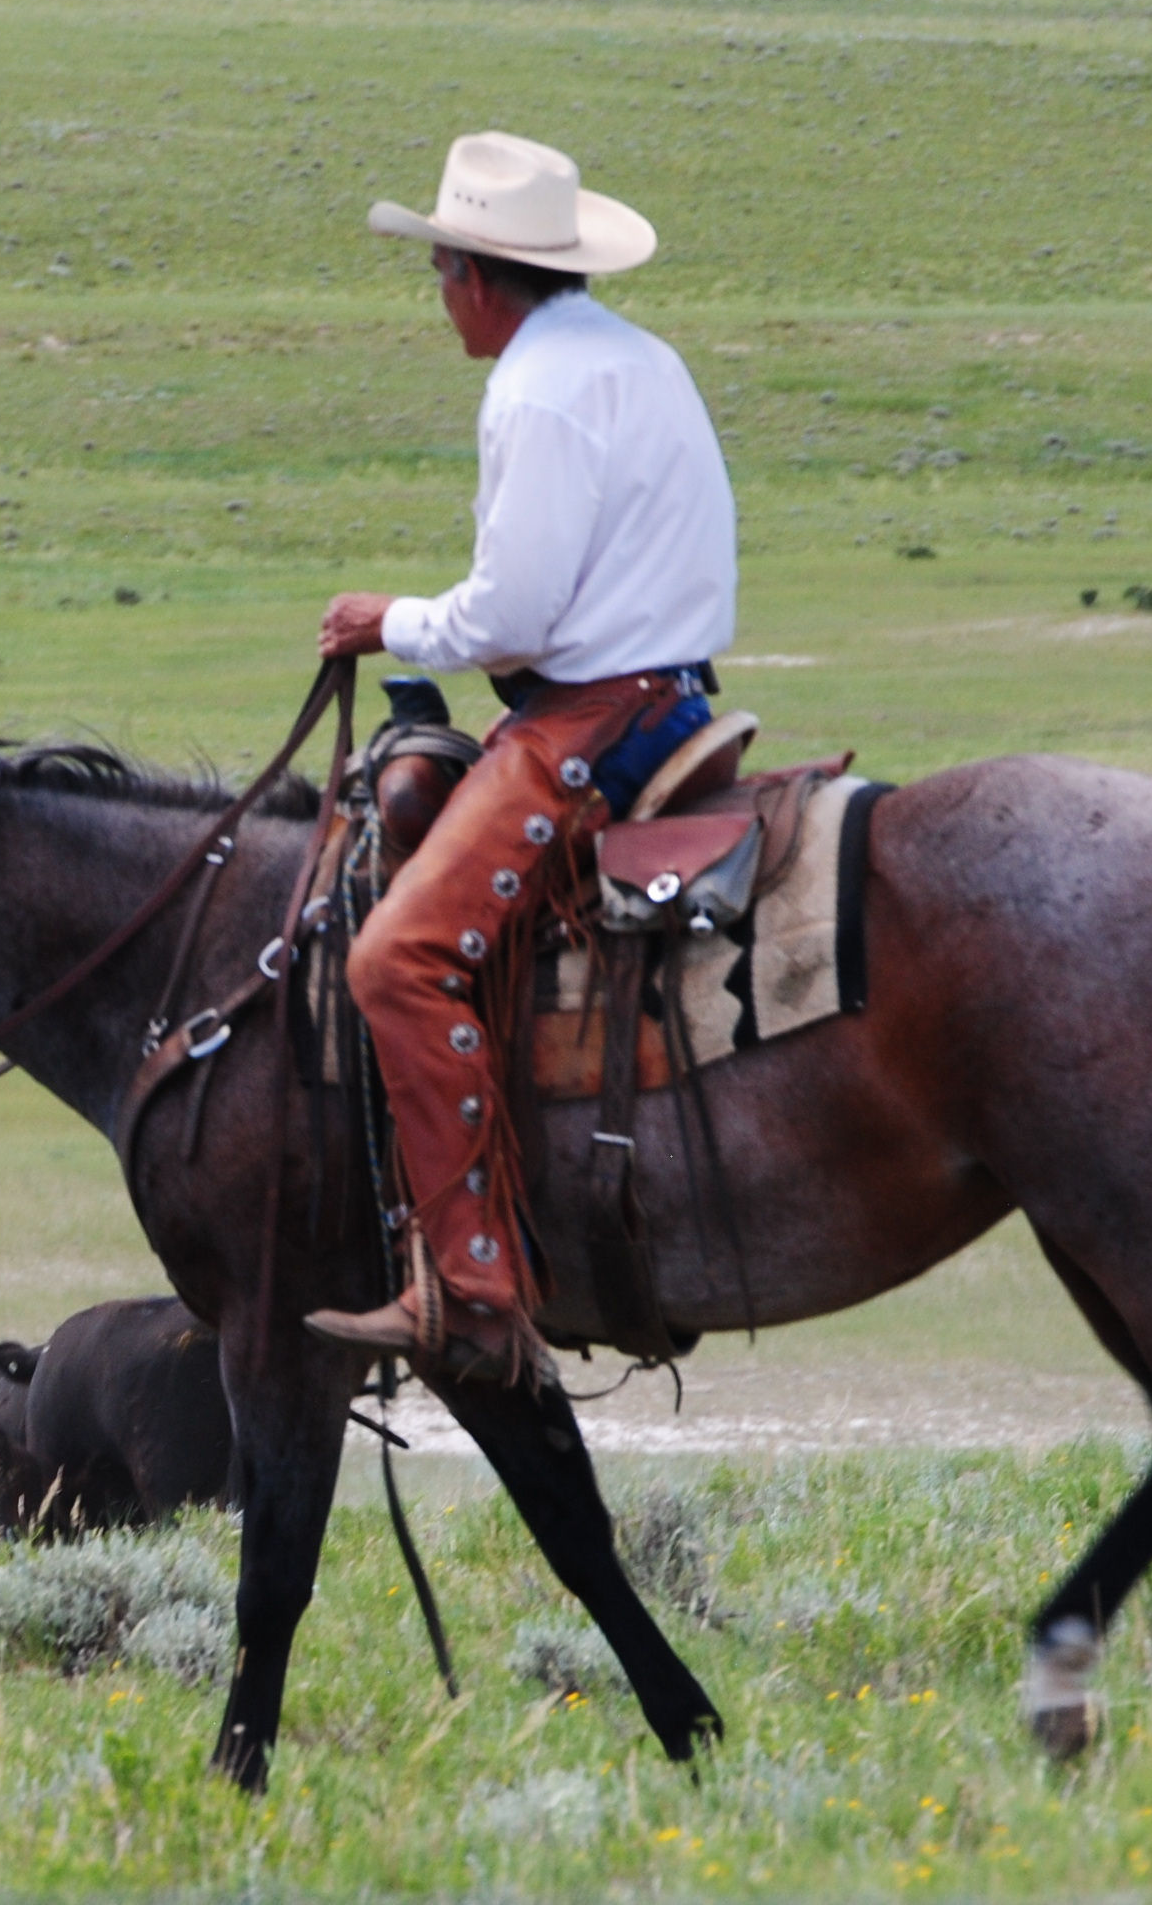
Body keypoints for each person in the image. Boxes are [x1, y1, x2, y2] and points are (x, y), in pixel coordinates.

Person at [303, 131, 739, 1384]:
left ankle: (474, 1281)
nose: (437, 295)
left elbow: (512, 619)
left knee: (395, 957)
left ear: (480, 276)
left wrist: (386, 619)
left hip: (588, 720)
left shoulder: (535, 388)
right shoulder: (637, 358)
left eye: (440, 271)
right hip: (671, 691)